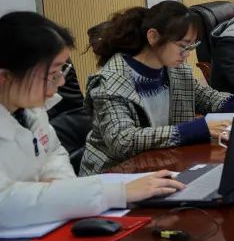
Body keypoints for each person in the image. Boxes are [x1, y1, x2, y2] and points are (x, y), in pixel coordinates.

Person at [0, 12, 185, 227]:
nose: (61, 82)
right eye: (51, 74)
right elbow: (5, 204)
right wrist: (116, 193)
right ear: (5, 77)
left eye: (62, 70)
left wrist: (64, 193)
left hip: (46, 223)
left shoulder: (31, 110)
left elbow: (53, 154)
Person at [81, 1, 234, 175]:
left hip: (161, 163)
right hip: (115, 174)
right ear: (153, 37)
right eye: (182, 46)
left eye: (191, 46)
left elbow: (206, 97)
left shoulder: (175, 69)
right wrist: (197, 129)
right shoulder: (110, 81)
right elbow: (123, 141)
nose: (187, 54)